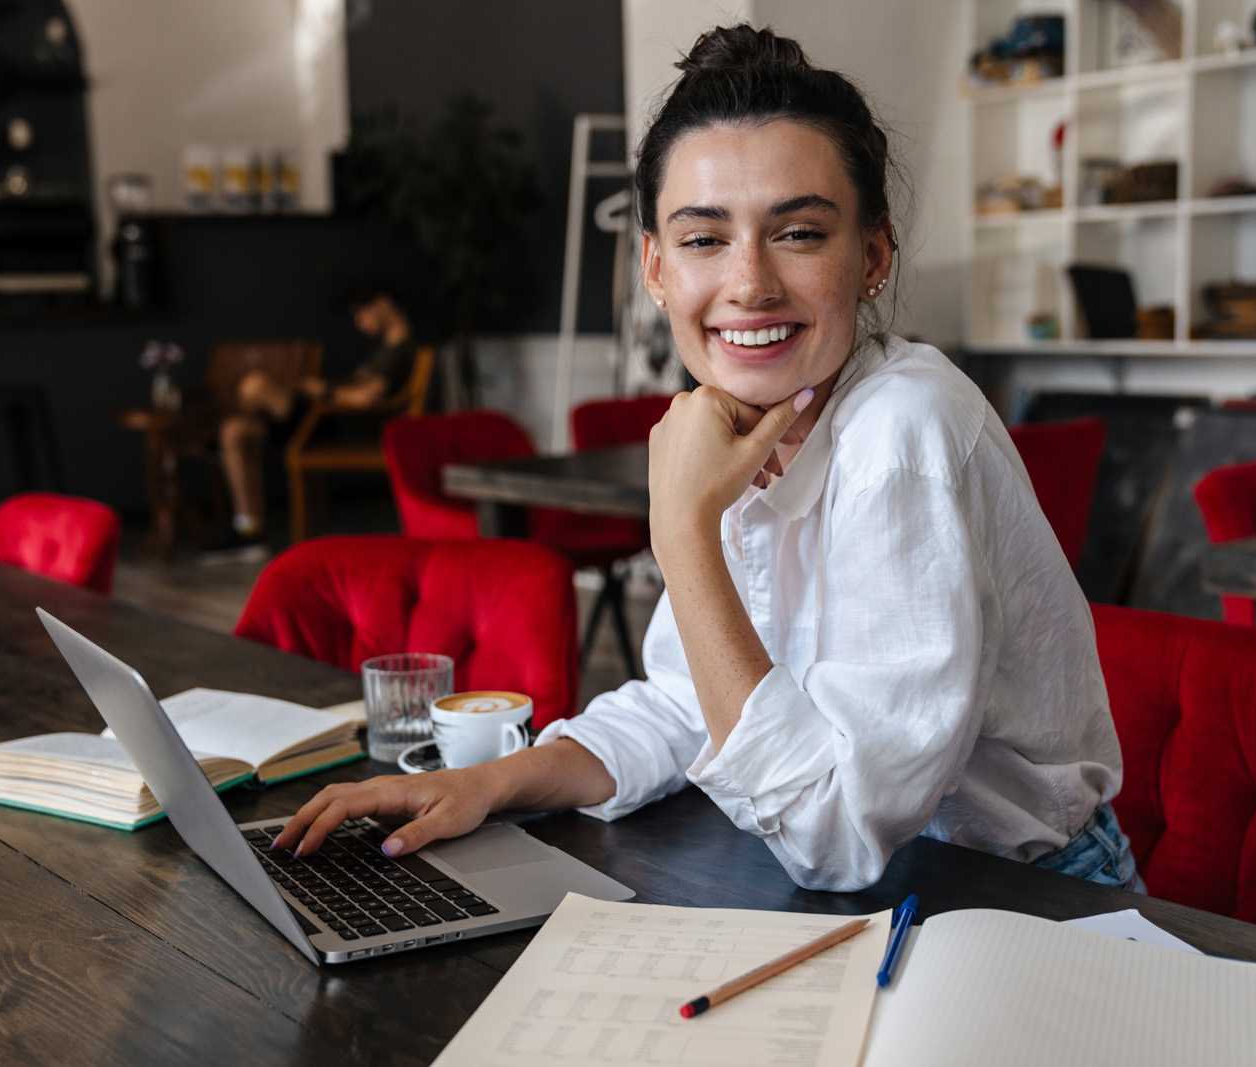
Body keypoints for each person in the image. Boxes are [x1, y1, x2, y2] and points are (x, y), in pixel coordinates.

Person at [273, 25, 1137, 893]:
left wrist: (682, 531)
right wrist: (484, 782)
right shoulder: (746, 422)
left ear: (871, 255)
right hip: (884, 887)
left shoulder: (901, 429)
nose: (750, 282)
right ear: (654, 266)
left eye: (798, 233)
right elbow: (691, 703)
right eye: (702, 239)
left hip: (1027, 900)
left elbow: (832, 833)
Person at [214, 285, 417, 552]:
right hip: (319, 416)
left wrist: (325, 390)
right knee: (234, 431)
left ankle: (255, 417)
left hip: (331, 422)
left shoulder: (401, 348)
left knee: (255, 385)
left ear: (383, 303)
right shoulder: (385, 348)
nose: (359, 322)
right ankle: (248, 528)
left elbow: (365, 399)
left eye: (361, 313)